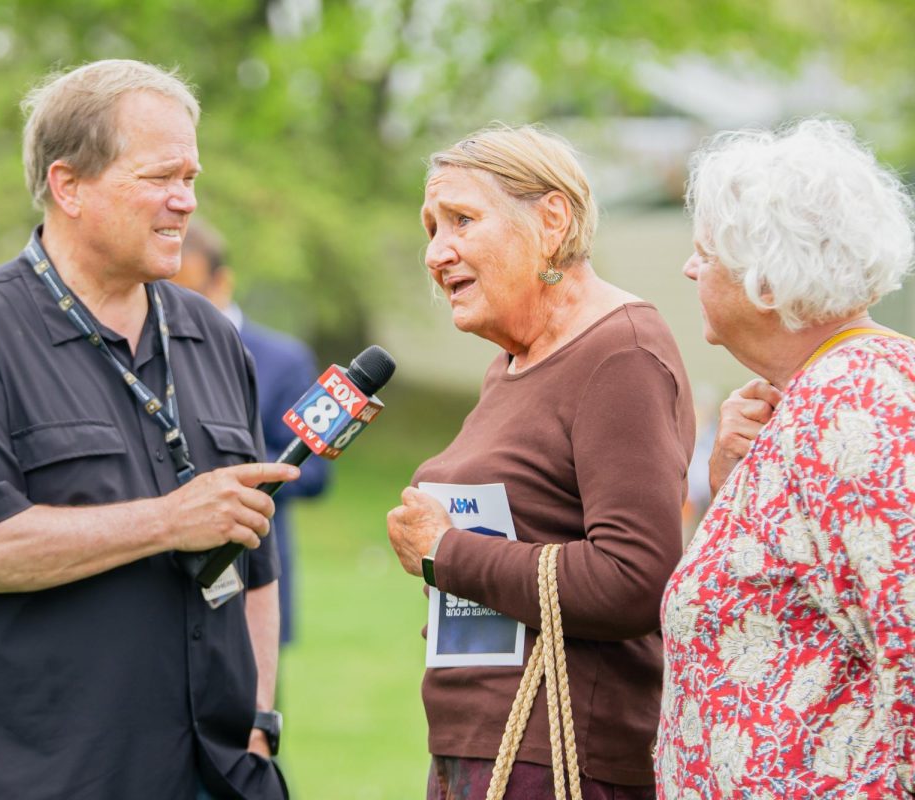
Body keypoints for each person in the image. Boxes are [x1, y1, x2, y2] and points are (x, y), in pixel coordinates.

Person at [0, 60, 299, 799]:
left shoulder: (213, 336)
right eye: (159, 178)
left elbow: (255, 564)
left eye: (192, 176)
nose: (186, 202)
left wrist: (260, 720)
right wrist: (169, 521)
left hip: (217, 775)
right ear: (68, 185)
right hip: (42, 780)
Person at [385, 123, 695, 799]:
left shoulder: (621, 354)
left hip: (559, 754)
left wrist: (447, 552)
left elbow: (636, 577)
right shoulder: (512, 364)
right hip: (479, 742)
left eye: (463, 219)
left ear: (552, 218)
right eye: (432, 228)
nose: (438, 253)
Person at [656, 119, 915, 799]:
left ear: (766, 281)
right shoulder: (818, 398)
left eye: (705, 253)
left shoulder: (856, 402)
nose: (689, 269)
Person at [173, 218, 330, 649]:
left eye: (189, 291)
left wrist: (230, 474)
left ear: (222, 283)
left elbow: (314, 473)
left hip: (252, 572)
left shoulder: (284, 360)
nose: (174, 305)